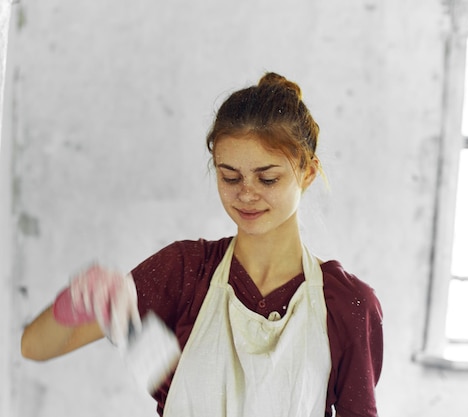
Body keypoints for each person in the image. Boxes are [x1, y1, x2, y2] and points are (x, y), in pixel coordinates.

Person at [21, 72, 384, 417]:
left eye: (268, 178)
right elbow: (34, 346)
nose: (246, 194)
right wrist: (76, 303)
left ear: (307, 172)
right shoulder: (184, 272)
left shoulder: (347, 305)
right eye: (230, 176)